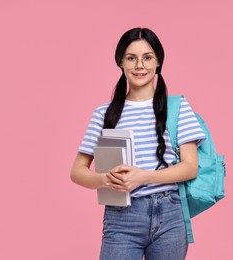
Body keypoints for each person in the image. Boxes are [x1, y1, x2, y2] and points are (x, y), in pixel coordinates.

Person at [70, 27, 206, 260]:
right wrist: (106, 180)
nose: (139, 65)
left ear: (158, 63)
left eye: (147, 57)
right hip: (122, 216)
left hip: (170, 215)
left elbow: (190, 167)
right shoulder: (104, 114)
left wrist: (142, 176)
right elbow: (77, 171)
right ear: (121, 62)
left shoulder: (177, 108)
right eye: (131, 58)